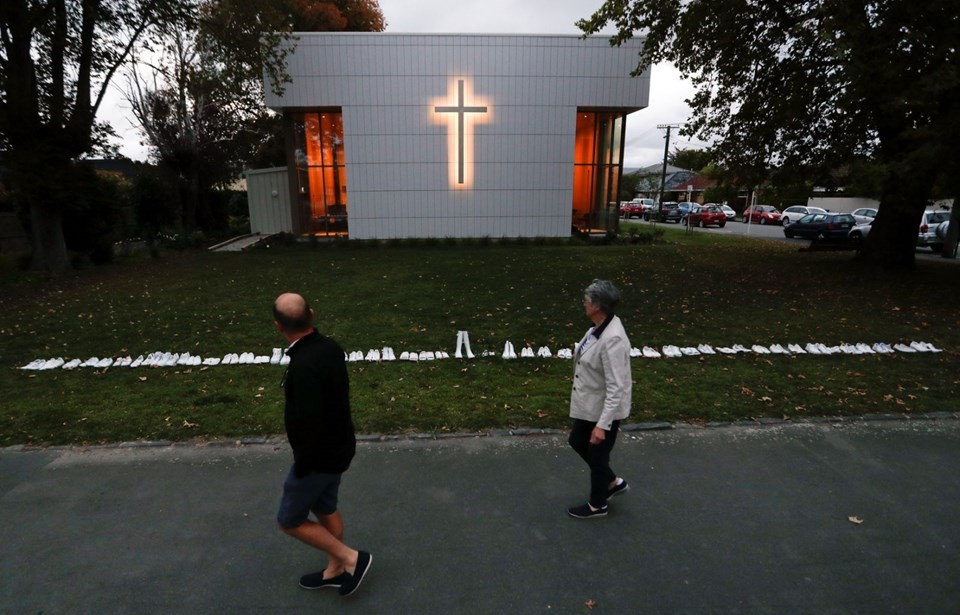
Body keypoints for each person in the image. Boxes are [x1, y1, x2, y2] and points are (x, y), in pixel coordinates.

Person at [273, 292, 372, 596]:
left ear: (279, 326)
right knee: (325, 508)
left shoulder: (303, 366)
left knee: (290, 520)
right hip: (339, 446)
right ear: (311, 315)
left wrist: (303, 465)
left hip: (317, 459)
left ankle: (352, 559)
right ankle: (335, 570)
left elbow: (306, 422)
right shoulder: (329, 348)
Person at [567, 280, 632, 519]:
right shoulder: (599, 327)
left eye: (586, 300)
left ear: (597, 306)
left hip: (605, 409)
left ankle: (598, 505)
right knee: (577, 441)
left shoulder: (612, 338)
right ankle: (613, 482)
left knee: (597, 455)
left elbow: (617, 385)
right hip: (592, 404)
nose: (583, 303)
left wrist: (603, 425)